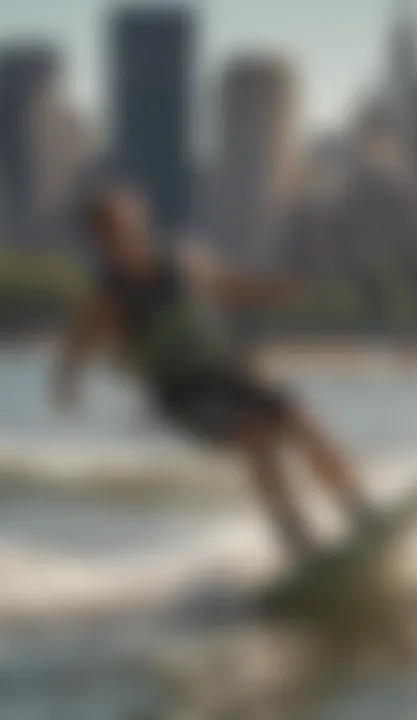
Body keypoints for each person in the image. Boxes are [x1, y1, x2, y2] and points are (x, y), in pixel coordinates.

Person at [54, 181, 374, 557]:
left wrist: (280, 291)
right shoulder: (110, 296)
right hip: (182, 395)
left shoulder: (180, 261)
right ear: (101, 241)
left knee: (298, 419)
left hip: (228, 374)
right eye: (109, 231)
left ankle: (362, 513)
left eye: (125, 226)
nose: (121, 237)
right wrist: (70, 382)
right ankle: (297, 538)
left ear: (139, 223)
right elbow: (77, 344)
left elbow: (230, 287)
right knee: (257, 437)